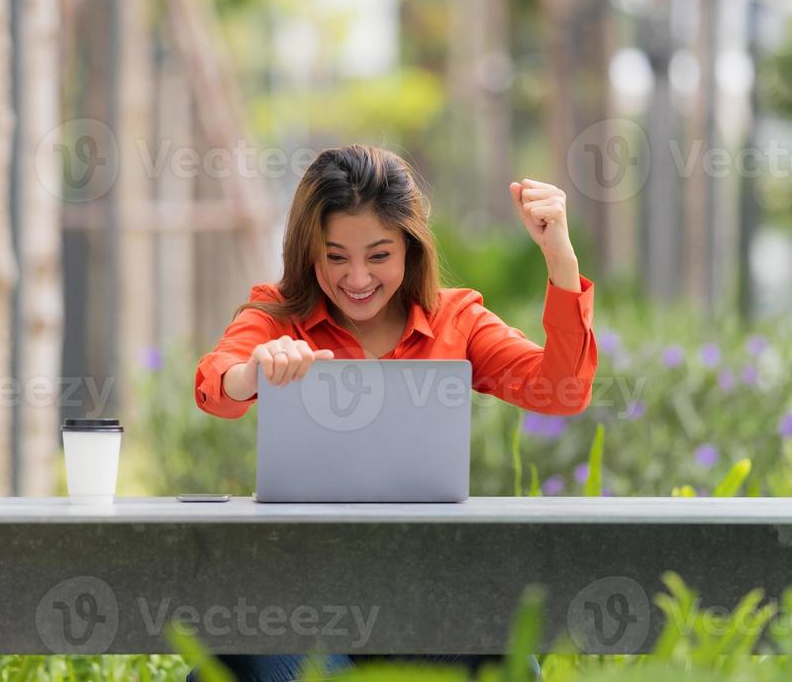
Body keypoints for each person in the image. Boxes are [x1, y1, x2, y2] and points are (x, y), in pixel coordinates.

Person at [190, 145, 599, 681]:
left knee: (510, 663)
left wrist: (561, 263)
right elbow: (214, 383)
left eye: (378, 255)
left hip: (420, 599)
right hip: (292, 598)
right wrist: (254, 372)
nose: (357, 278)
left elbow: (562, 391)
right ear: (309, 252)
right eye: (336, 256)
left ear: (411, 248)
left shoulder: (458, 320)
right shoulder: (278, 314)